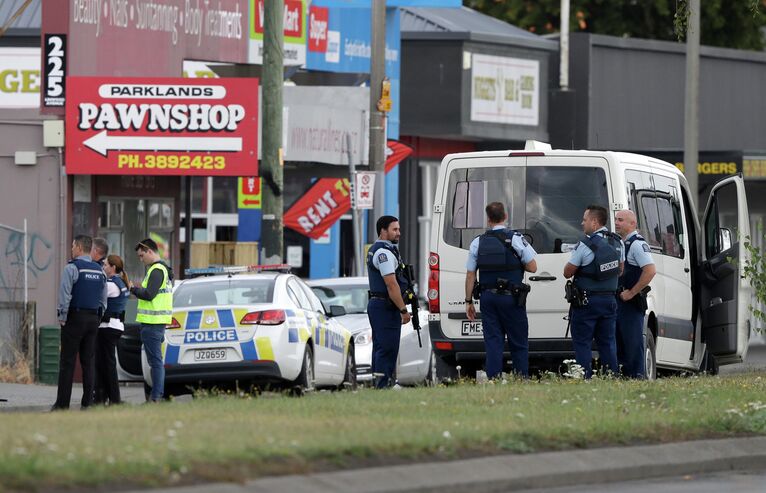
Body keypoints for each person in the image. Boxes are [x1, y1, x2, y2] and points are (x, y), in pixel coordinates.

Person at [464, 202, 537, 379]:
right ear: (505, 217)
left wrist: (468, 302)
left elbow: (470, 275)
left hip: (488, 298)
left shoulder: (477, 242)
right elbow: (533, 267)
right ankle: (521, 379)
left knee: (493, 341)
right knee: (518, 341)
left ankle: (493, 379)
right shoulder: (516, 239)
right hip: (511, 298)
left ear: (488, 219)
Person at [563, 205, 624, 379]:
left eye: (585, 219)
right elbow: (620, 269)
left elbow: (568, 272)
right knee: (608, 342)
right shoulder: (617, 241)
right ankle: (612, 376)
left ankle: (584, 378)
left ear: (595, 222)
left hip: (586, 302)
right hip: (609, 301)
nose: (582, 223)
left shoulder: (585, 244)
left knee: (582, 343)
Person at [51, 235, 107, 411]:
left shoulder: (72, 268)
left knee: (67, 362)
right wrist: (98, 317)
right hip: (92, 320)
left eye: (73, 245)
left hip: (74, 318)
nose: (71, 248)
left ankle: (62, 405)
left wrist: (62, 316)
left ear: (80, 247)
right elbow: (103, 300)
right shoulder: (100, 271)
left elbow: (65, 294)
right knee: (88, 362)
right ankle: (87, 404)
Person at [367, 216, 411, 389]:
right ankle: (383, 385)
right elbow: (391, 285)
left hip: (381, 305)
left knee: (381, 347)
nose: (398, 233)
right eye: (395, 229)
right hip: (385, 306)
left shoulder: (384, 250)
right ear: (383, 231)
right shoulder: (383, 253)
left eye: (399, 229)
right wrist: (403, 310)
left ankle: (380, 384)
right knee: (387, 348)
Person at [614, 210, 656, 378]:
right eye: (616, 219)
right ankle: (625, 377)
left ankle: (637, 377)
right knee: (620, 343)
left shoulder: (637, 245)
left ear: (632, 224)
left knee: (632, 342)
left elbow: (650, 271)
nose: (616, 222)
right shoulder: (623, 243)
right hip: (620, 302)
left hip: (631, 304)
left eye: (621, 220)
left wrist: (631, 293)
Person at [130, 238, 173, 402]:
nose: (141, 259)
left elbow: (149, 295)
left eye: (142, 256)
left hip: (153, 324)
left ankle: (155, 397)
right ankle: (156, 396)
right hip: (157, 323)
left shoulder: (156, 270)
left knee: (155, 363)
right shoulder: (163, 269)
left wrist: (133, 289)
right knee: (156, 362)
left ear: (149, 251)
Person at [94, 254, 130, 405]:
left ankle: (113, 399)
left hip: (107, 327)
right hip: (114, 326)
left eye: (106, 265)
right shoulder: (121, 282)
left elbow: (95, 296)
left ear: (113, 268)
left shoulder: (111, 284)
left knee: (106, 364)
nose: (103, 267)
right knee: (106, 363)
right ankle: (107, 398)